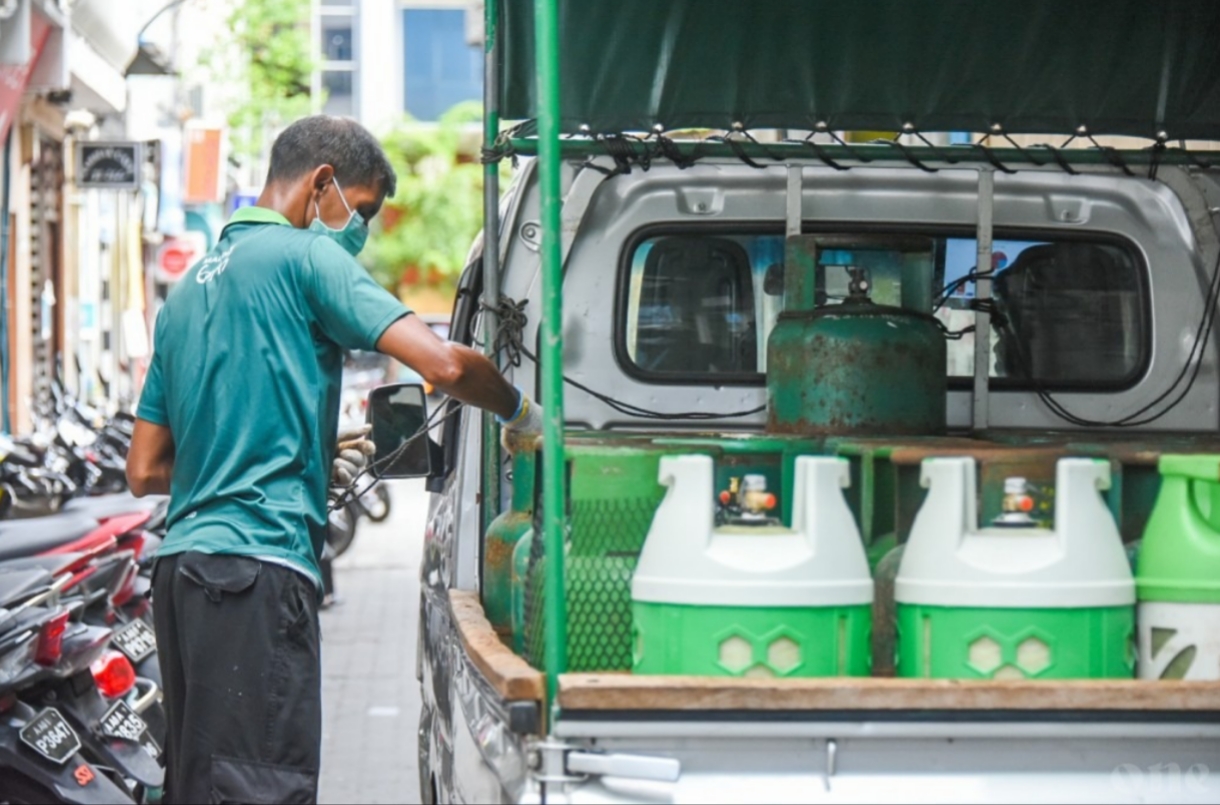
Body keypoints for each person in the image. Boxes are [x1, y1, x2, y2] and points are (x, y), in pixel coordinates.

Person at [125, 115, 540, 804]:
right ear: (322, 184)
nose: (361, 230)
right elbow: (444, 365)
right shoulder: (305, 258)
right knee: (260, 787)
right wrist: (524, 413)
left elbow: (144, 470)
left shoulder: (186, 291)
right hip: (258, 574)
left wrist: (291, 455)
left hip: (181, 576)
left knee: (199, 784)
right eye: (363, 209)